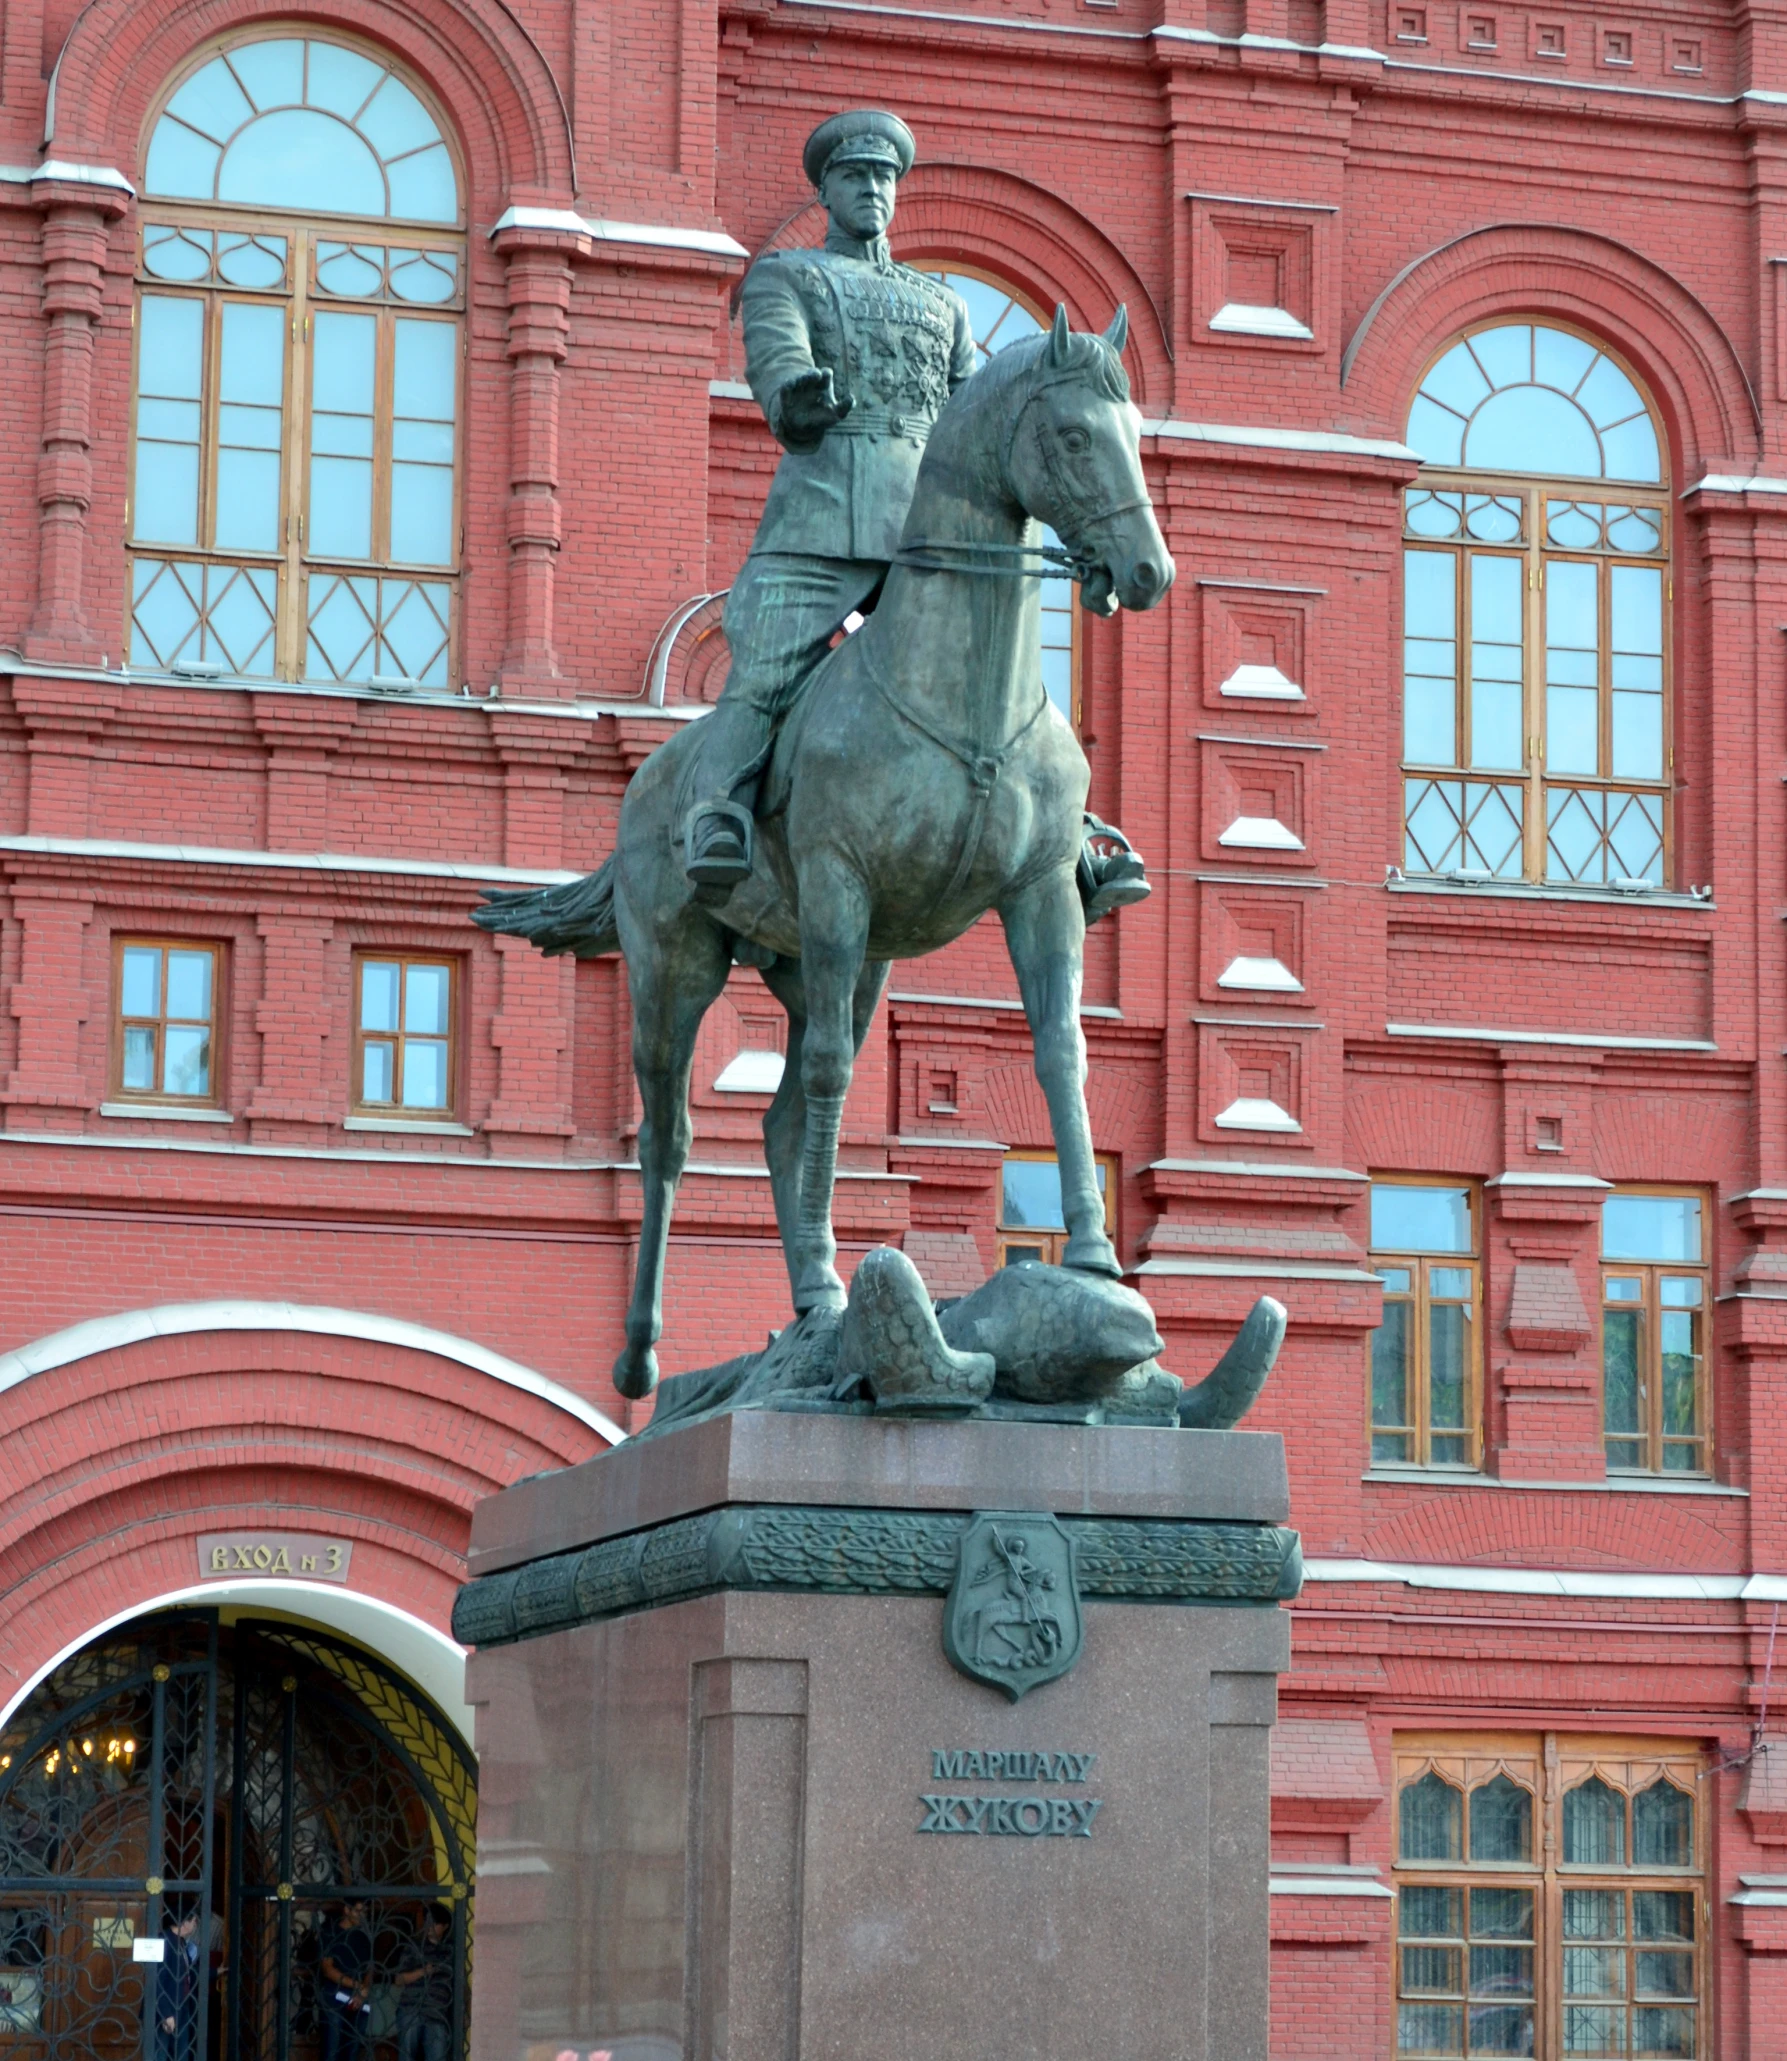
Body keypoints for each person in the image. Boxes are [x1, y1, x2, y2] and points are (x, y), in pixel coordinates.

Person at [679, 107, 977, 892]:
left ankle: (1067, 834)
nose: (872, 189)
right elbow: (776, 364)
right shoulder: (788, 276)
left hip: (924, 528)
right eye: (855, 176)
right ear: (828, 192)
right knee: (765, 669)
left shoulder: (942, 305)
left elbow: (971, 415)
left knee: (994, 657)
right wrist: (797, 400)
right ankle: (717, 812)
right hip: (820, 517)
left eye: (884, 177)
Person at [392, 1905, 453, 2061]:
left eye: (434, 1923)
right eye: (427, 1921)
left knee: (437, 2057)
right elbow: (399, 1979)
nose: (429, 1926)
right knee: (407, 2057)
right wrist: (423, 1971)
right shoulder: (414, 1947)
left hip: (437, 2013)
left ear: (445, 1926)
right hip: (411, 2009)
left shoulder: (452, 1950)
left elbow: (459, 1983)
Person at [316, 1901, 373, 2061]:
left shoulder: (363, 1936)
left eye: (365, 1912)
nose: (362, 1916)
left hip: (359, 2000)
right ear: (347, 1910)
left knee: (352, 2051)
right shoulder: (330, 1932)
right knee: (331, 2051)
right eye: (358, 1911)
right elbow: (327, 1969)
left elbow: (370, 1968)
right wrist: (358, 1986)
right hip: (333, 1997)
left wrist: (363, 1991)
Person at [156, 1905, 202, 2061]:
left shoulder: (181, 1942)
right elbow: (156, 1981)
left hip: (182, 2007)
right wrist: (166, 2013)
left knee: (182, 2054)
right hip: (165, 2010)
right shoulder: (163, 1941)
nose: (195, 1925)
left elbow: (189, 1973)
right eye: (194, 1921)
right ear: (185, 1922)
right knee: (160, 2054)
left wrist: (216, 1972)